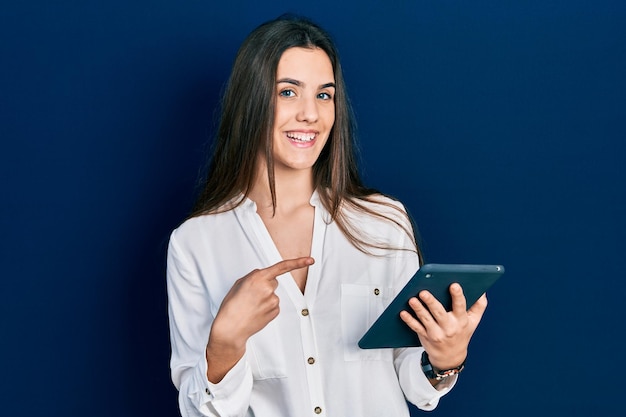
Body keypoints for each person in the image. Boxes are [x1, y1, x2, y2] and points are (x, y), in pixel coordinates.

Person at [166, 14, 488, 417]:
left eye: (324, 95)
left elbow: (413, 379)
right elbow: (199, 411)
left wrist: (445, 359)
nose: (310, 115)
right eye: (287, 92)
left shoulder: (384, 222)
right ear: (250, 102)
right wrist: (225, 346)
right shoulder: (195, 243)